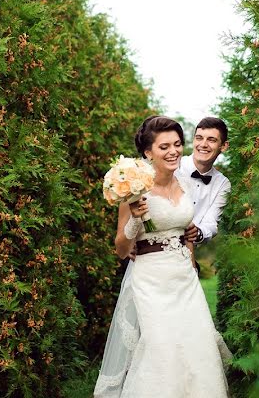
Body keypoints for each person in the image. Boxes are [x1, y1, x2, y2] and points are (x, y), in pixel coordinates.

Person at [94, 116, 230, 398]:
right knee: (162, 348)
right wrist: (134, 220)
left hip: (184, 277)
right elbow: (121, 249)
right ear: (148, 152)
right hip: (151, 279)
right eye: (164, 146)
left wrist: (191, 261)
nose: (173, 152)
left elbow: (187, 230)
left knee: (197, 344)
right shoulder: (134, 188)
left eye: (178, 144)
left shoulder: (186, 184)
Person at [177, 117, 230, 249]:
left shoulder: (223, 184)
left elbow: (211, 223)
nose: (203, 144)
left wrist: (199, 233)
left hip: (187, 254)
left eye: (211, 140)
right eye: (199, 138)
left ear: (223, 146)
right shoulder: (174, 167)